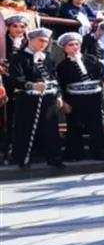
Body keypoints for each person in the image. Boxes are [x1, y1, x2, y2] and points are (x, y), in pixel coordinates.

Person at [8, 27, 63, 168]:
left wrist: (58, 95)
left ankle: (53, 158)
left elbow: (55, 78)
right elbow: (15, 79)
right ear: (30, 40)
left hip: (48, 98)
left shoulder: (48, 58)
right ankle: (24, 158)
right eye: (40, 41)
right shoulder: (19, 58)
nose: (43, 44)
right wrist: (32, 86)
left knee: (50, 129)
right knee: (26, 129)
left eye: (46, 41)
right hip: (28, 100)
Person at [55, 32, 104, 162]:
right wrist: (63, 102)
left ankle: (98, 152)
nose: (74, 47)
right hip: (74, 99)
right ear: (64, 48)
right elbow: (60, 84)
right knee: (74, 126)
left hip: (94, 97)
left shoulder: (91, 59)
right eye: (71, 45)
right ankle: (74, 153)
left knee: (96, 125)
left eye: (77, 44)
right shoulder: (62, 66)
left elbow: (102, 73)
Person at [1, 13, 31, 162]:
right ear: (8, 27)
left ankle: (18, 148)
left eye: (22, 26)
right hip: (3, 82)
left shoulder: (29, 42)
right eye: (15, 26)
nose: (19, 29)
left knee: (20, 118)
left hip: (21, 83)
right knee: (5, 117)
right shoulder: (2, 41)